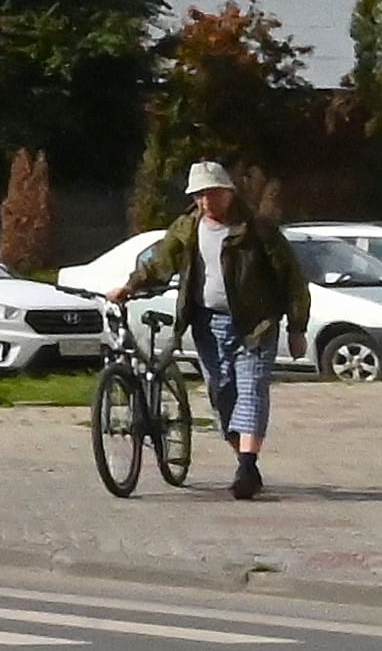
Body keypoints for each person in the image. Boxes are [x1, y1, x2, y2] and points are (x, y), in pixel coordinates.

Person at [117, 159, 302, 500]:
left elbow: (291, 278)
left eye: (212, 193)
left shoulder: (256, 229)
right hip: (207, 324)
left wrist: (297, 327)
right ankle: (246, 463)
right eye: (199, 195)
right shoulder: (187, 228)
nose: (206, 201)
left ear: (228, 192)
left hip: (255, 323)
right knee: (221, 395)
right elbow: (160, 262)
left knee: (251, 389)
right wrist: (130, 286)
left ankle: (247, 465)